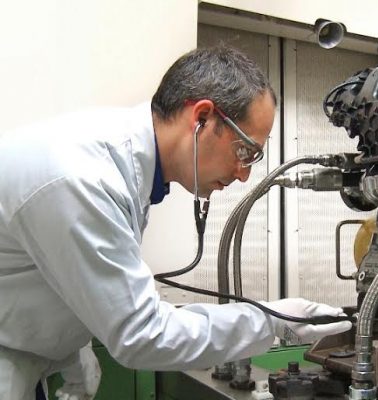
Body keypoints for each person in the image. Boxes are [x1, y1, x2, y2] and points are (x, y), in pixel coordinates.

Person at [0, 45, 352, 400]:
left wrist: (73, 352)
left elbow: (45, 278)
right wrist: (270, 321)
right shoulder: (85, 180)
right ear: (202, 118)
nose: (243, 174)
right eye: (245, 151)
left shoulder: (121, 165)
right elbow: (142, 336)